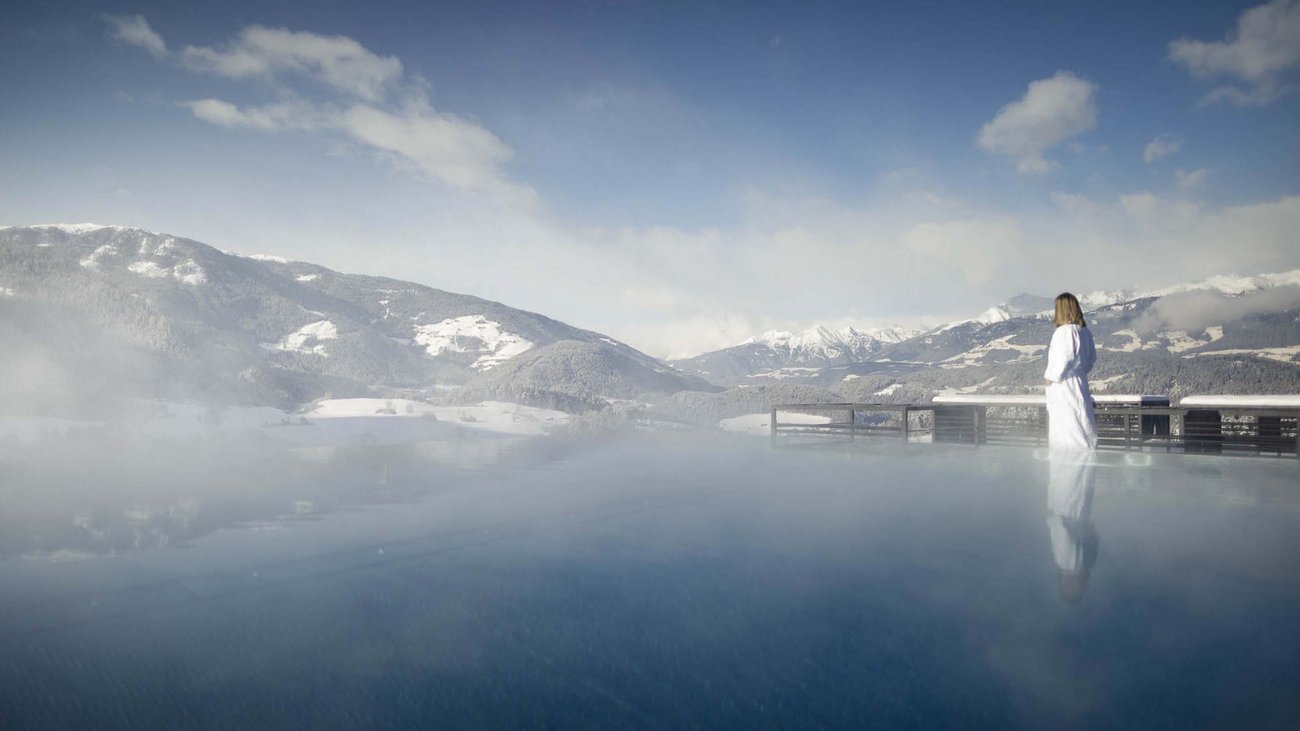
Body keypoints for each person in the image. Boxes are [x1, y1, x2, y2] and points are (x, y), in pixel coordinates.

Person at [1043, 292, 1097, 450]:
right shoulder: (1085, 332)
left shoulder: (1064, 332)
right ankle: (1086, 468)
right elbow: (1091, 359)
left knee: (1068, 427)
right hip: (1080, 381)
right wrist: (1080, 371)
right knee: (1083, 422)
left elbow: (1064, 357)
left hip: (1064, 384)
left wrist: (1051, 377)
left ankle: (1070, 469)